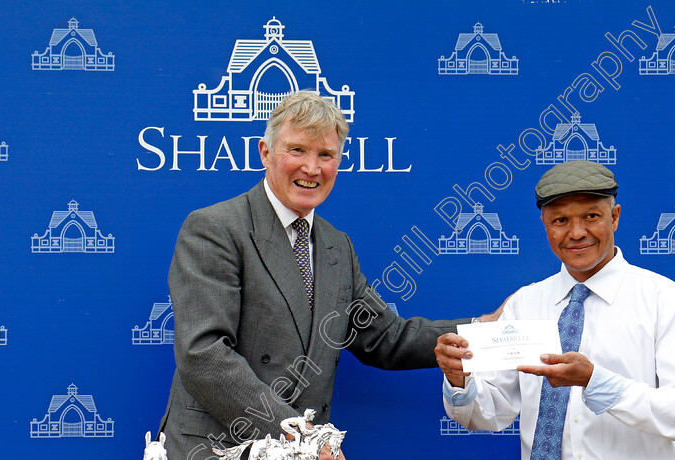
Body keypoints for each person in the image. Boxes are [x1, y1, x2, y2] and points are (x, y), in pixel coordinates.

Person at [158, 91, 480, 460]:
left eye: (325, 155)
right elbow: (204, 354)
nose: (312, 168)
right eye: (297, 150)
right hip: (222, 447)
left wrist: (480, 329)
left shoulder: (335, 245)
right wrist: (304, 440)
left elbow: (384, 337)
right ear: (265, 152)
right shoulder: (214, 228)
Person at [435, 160, 675, 460]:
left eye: (591, 216)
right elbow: (491, 412)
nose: (577, 233)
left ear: (615, 217)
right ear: (545, 225)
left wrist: (594, 381)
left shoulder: (667, 301)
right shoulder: (525, 304)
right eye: (561, 221)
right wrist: (459, 379)